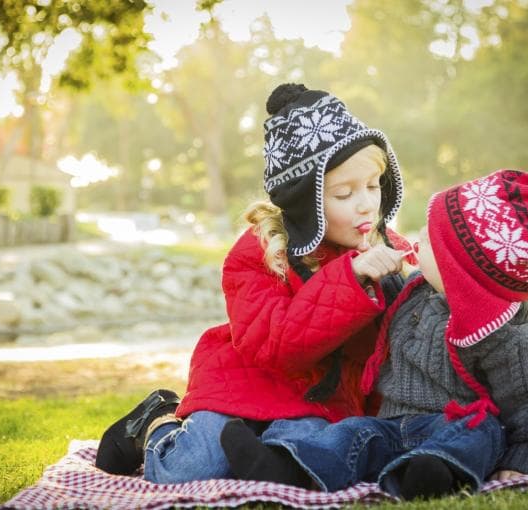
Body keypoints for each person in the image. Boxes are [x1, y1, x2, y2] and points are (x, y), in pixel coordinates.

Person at [219, 169, 528, 499]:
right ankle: (287, 466)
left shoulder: (511, 336)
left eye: (432, 240)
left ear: (461, 273)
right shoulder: (414, 291)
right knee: (351, 435)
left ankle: (435, 473)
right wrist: (364, 272)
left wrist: (523, 462)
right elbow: (364, 311)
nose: (417, 241)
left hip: (454, 422)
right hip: (392, 424)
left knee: (480, 433)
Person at [94, 83, 416, 484]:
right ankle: (155, 421)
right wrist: (350, 277)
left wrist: (405, 281)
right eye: (344, 193)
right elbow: (278, 345)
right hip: (243, 381)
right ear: (305, 200)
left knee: (301, 455)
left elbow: (399, 343)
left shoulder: (391, 253)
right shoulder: (259, 252)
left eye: (373, 186)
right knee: (188, 469)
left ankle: (263, 459)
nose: (367, 203)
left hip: (318, 399)